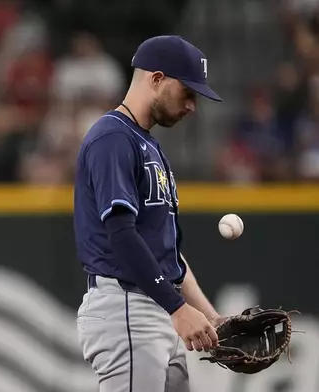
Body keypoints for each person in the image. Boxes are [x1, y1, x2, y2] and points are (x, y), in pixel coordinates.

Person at [73, 35, 225, 392]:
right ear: (156, 79)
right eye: (188, 93)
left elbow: (165, 252)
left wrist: (210, 315)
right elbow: (122, 234)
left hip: (154, 306)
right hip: (128, 308)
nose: (192, 106)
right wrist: (176, 307)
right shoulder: (112, 138)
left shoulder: (148, 146)